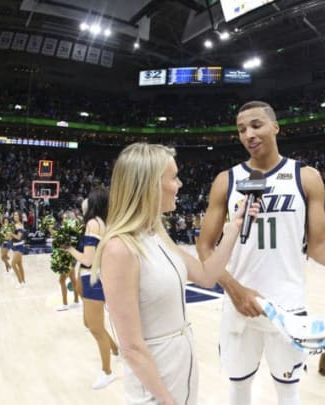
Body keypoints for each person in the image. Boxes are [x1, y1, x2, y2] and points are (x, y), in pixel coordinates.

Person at [196, 101, 325, 405]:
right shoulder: (226, 180)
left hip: (289, 307)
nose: (249, 134)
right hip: (239, 305)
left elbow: (319, 247)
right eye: (242, 129)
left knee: (288, 391)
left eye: (256, 125)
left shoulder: (305, 176)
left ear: (275, 127)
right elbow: (205, 246)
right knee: (238, 389)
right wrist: (234, 289)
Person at [93, 143, 260, 405]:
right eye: (173, 177)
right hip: (154, 382)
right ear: (149, 185)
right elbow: (132, 347)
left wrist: (234, 228)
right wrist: (166, 400)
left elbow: (206, 276)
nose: (180, 184)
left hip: (181, 366)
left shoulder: (156, 235)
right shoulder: (119, 249)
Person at [65, 190, 120, 390]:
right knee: (89, 322)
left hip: (94, 278)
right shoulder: (102, 222)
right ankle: (115, 349)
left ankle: (107, 372)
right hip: (95, 277)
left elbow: (88, 260)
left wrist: (69, 249)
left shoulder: (93, 223)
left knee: (95, 327)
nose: (83, 204)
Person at [10, 211, 27, 287]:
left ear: (19, 216)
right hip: (15, 246)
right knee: (20, 265)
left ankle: (20, 282)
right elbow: (13, 237)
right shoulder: (15, 225)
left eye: (17, 215)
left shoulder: (19, 225)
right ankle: (23, 281)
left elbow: (19, 237)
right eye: (14, 215)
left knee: (13, 264)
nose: (15, 216)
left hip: (19, 247)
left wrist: (11, 233)